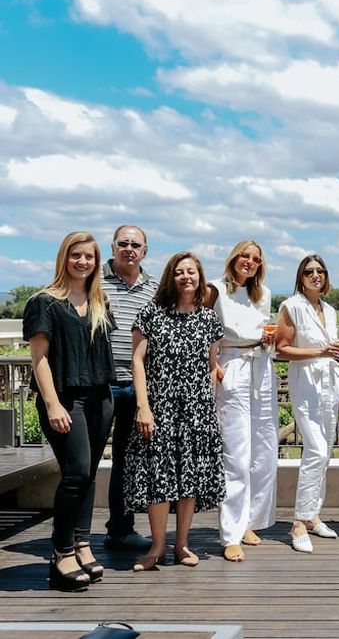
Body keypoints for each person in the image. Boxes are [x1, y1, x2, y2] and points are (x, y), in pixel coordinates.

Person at [23, 231, 115, 590]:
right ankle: (60, 553)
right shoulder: (44, 302)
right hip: (65, 399)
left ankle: (81, 543)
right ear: (65, 257)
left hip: (99, 397)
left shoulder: (98, 302)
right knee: (75, 473)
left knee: (89, 474)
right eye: (76, 255)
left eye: (89, 257)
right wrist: (52, 403)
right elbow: (39, 358)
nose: (83, 262)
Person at [126, 251, 226, 571]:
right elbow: (137, 361)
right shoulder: (151, 313)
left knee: (189, 479)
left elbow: (212, 366)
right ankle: (157, 547)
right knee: (160, 477)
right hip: (160, 405)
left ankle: (181, 544)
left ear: (200, 278)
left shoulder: (209, 319)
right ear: (171, 276)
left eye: (192, 272)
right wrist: (143, 406)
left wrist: (207, 403)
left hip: (196, 408)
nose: (186, 277)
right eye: (180, 272)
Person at [204, 240, 278, 562]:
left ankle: (250, 520)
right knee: (236, 454)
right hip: (232, 366)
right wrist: (212, 364)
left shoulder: (264, 295)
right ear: (233, 258)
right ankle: (230, 533)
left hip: (262, 365)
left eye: (255, 259)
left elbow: (264, 331)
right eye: (244, 256)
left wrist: (270, 338)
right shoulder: (215, 290)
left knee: (264, 450)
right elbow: (200, 329)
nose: (249, 262)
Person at [276, 255, 339, 553]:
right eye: (309, 271)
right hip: (305, 387)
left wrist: (331, 355)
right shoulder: (291, 306)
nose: (315, 275)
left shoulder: (328, 310)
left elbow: (331, 349)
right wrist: (320, 351)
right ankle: (298, 523)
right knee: (315, 449)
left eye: (320, 271)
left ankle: (314, 514)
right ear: (300, 276)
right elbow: (281, 349)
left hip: (330, 386)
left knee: (326, 451)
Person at [102, 224, 158, 551]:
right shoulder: (96, 282)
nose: (129, 249)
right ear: (112, 247)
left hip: (138, 387)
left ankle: (120, 529)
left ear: (145, 251)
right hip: (100, 385)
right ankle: (75, 536)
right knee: (87, 462)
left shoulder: (154, 288)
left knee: (127, 461)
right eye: (123, 243)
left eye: (135, 244)